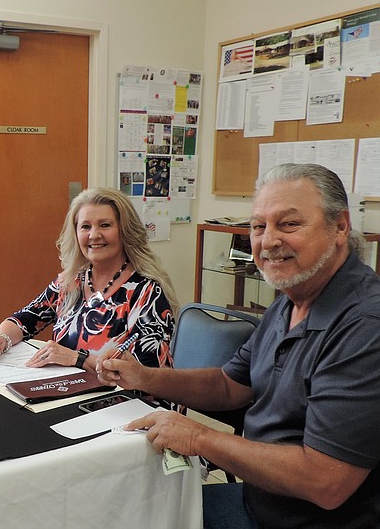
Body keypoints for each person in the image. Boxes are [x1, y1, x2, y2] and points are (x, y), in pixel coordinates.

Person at [98, 163, 380, 529]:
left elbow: (326, 481)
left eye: (289, 224)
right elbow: (229, 385)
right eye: (259, 226)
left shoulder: (365, 325)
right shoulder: (290, 298)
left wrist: (198, 437)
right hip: (257, 501)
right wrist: (143, 377)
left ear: (340, 226)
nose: (269, 241)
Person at [0, 187, 178, 374]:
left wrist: (77, 358)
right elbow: (25, 319)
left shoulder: (147, 292)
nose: (94, 235)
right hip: (73, 391)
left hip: (130, 404)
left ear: (124, 231)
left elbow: (143, 377)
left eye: (105, 225)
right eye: (85, 226)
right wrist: (2, 339)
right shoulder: (71, 282)